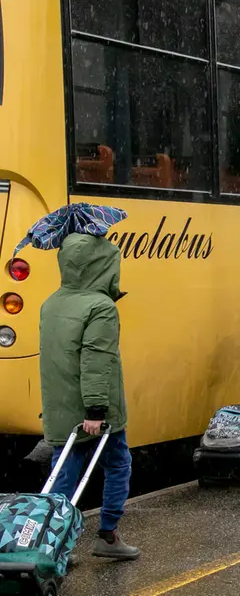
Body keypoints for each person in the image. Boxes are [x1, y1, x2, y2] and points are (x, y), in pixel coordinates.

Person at [40, 233, 139, 560]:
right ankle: (108, 536)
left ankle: (49, 543)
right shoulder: (101, 308)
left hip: (60, 405)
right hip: (98, 410)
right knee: (118, 464)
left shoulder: (52, 303)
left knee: (64, 475)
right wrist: (96, 410)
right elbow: (96, 360)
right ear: (103, 265)